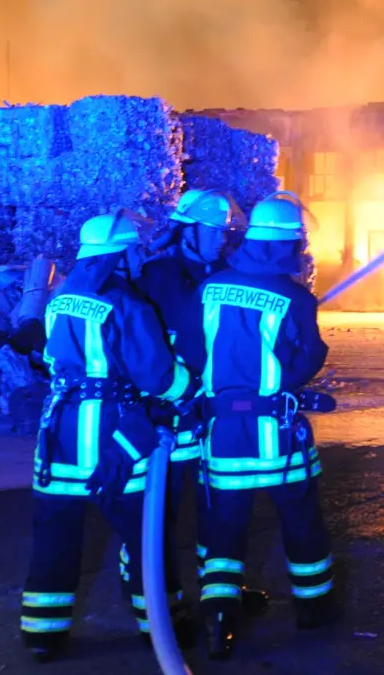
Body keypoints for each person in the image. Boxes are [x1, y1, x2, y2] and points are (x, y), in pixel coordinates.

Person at [19, 210, 187, 662]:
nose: (139, 258)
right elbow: (156, 377)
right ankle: (160, 625)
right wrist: (190, 387)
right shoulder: (128, 303)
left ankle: (42, 636)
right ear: (121, 254)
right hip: (114, 441)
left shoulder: (59, 297)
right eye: (134, 250)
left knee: (54, 540)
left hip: (58, 439)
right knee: (145, 536)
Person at [194, 192, 339, 660]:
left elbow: (195, 353)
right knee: (301, 522)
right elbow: (308, 357)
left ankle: (219, 618)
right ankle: (314, 610)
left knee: (224, 528)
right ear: (286, 246)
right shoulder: (294, 297)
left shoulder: (211, 286)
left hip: (222, 433)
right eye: (298, 244)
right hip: (276, 433)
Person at [127, 188, 270, 617]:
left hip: (215, 413)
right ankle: (158, 602)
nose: (222, 239)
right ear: (187, 230)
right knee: (160, 511)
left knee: (220, 506)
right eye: (214, 231)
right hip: (168, 414)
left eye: (226, 232)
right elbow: (150, 351)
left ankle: (220, 594)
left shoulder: (226, 274)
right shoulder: (160, 276)